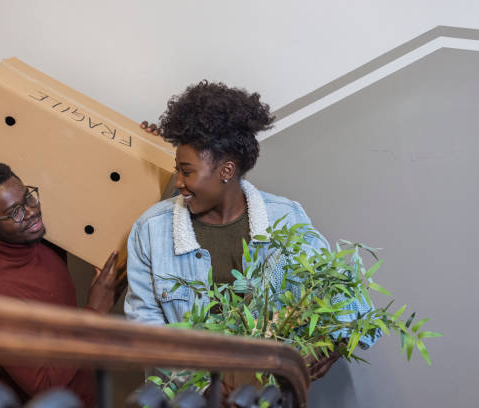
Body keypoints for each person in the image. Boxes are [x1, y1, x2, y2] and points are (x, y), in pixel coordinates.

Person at [124, 81, 377, 384]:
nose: (178, 182)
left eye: (186, 171)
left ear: (226, 171)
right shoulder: (150, 230)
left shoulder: (285, 218)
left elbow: (345, 298)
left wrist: (331, 345)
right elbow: (145, 331)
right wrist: (208, 389)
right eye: (177, 169)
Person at [0, 161, 123, 407]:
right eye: (14, 212)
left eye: (28, 198)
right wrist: (94, 313)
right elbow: (45, 386)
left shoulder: (37, 238)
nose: (31, 211)